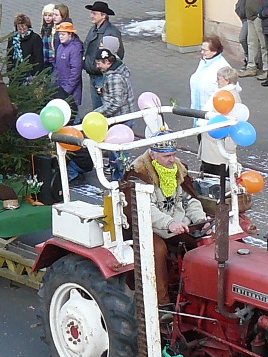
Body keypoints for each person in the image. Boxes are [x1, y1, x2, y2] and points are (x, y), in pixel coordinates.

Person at [129, 132, 209, 294]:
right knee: (157, 251)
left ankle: (196, 290)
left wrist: (200, 220)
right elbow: (146, 208)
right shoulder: (139, 175)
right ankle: (161, 299)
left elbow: (189, 199)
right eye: (166, 156)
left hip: (177, 223)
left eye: (173, 155)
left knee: (203, 242)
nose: (172, 160)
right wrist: (169, 223)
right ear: (153, 155)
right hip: (149, 226)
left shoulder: (178, 170)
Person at [200, 67, 240, 176]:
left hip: (218, 143)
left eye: (219, 79)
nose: (216, 81)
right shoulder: (224, 93)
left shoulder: (229, 96)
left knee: (216, 173)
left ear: (227, 80)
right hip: (213, 143)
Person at [82, 1, 123, 101]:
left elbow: (118, 54)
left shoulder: (112, 32)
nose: (91, 16)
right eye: (91, 13)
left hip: (103, 77)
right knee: (97, 107)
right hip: (93, 74)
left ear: (103, 15)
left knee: (104, 106)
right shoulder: (93, 29)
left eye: (94, 13)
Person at [233, 0, 261, 74]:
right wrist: (238, 7)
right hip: (244, 13)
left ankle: (251, 61)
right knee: (247, 39)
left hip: (251, 15)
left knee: (245, 39)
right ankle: (250, 60)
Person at [189, 35, 230, 114]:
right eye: (202, 50)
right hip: (198, 110)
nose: (202, 52)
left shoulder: (223, 67)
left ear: (214, 51)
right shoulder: (204, 61)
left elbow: (232, 89)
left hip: (213, 113)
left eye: (205, 50)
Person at [91, 47, 132, 119]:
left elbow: (115, 103)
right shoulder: (119, 70)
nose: (97, 66)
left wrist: (96, 113)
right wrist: (104, 90)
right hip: (126, 115)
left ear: (107, 61)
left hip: (119, 118)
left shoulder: (114, 78)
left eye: (98, 63)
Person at [51, 21, 83, 107]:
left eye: (63, 34)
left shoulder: (75, 49)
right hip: (60, 87)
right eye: (59, 34)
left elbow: (75, 72)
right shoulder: (60, 47)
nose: (60, 36)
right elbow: (56, 67)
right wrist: (53, 83)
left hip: (70, 91)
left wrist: (67, 90)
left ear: (70, 34)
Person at [38, 4, 61, 73]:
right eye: (45, 15)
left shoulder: (55, 29)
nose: (47, 18)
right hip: (45, 59)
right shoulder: (44, 28)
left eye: (50, 15)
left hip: (53, 60)